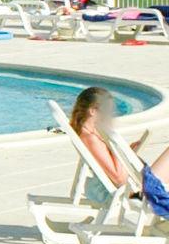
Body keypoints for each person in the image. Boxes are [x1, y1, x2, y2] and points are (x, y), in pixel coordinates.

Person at [72, 86, 169, 216]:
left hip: (133, 185)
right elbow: (118, 178)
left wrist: (126, 152)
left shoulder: (93, 133)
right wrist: (124, 154)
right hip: (132, 193)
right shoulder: (91, 139)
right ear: (93, 111)